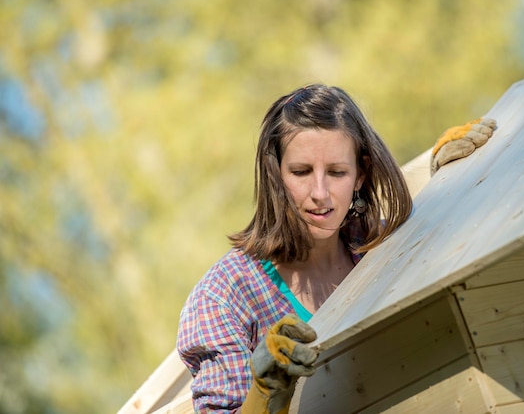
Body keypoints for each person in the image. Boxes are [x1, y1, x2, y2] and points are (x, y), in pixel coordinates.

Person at [176, 84, 496, 413]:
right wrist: (263, 397)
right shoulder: (223, 297)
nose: (320, 193)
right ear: (276, 175)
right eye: (301, 172)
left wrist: (453, 182)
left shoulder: (382, 244)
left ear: (361, 175)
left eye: (336, 172)